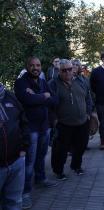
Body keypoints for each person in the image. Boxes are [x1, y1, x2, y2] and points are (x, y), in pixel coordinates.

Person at [14, 56, 58, 209]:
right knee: (29, 161)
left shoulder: (42, 81)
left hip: (44, 126)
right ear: (27, 66)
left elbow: (54, 100)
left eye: (38, 65)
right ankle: (25, 193)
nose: (36, 68)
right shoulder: (20, 83)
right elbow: (27, 100)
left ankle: (41, 179)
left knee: (41, 155)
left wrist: (36, 96)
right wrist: (42, 96)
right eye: (32, 65)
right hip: (30, 128)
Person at [49, 59, 92, 179]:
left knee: (81, 146)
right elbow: (49, 105)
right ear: (59, 71)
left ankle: (76, 166)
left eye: (70, 69)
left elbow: (88, 97)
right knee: (61, 150)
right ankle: (58, 171)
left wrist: (88, 113)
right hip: (64, 123)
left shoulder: (80, 81)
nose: (68, 72)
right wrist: (54, 120)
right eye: (64, 70)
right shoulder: (53, 84)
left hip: (82, 122)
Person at [0, 83, 29, 210]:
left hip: (16, 161)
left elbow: (24, 122)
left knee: (15, 203)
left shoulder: (9, 96)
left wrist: (24, 147)